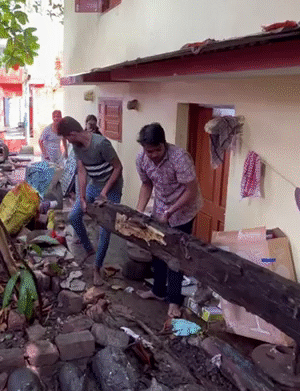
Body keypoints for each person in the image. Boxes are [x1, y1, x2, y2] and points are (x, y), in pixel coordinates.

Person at [135, 123, 203, 319]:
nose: (154, 154)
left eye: (157, 149)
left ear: (164, 144)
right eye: (150, 151)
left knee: (175, 255)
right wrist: (139, 211)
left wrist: (171, 212)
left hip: (184, 209)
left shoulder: (179, 158)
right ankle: (157, 291)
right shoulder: (141, 159)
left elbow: (191, 191)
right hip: (161, 207)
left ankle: (174, 301)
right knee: (157, 250)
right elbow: (146, 184)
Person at [57, 116, 123, 286]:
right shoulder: (76, 146)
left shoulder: (101, 144)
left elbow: (118, 168)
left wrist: (104, 192)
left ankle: (97, 269)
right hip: (94, 185)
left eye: (66, 137)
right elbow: (81, 171)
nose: (67, 141)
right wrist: (83, 198)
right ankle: (89, 250)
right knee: (73, 216)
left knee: (104, 230)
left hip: (111, 187)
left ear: (72, 133)